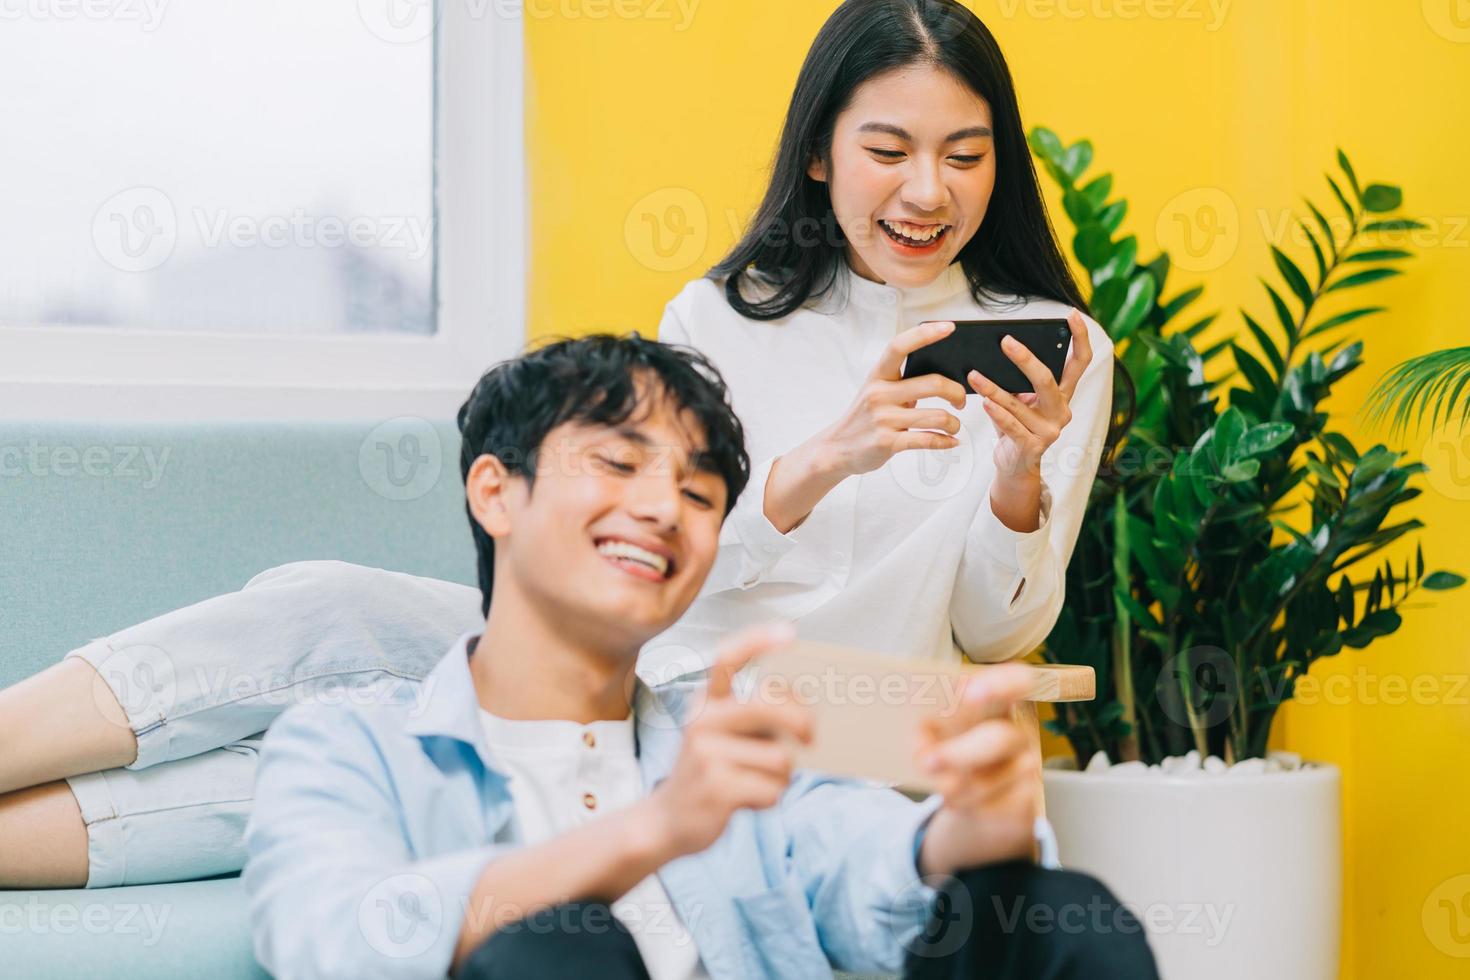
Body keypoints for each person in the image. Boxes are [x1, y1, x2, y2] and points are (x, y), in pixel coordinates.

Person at [0, 0, 1126, 889]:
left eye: (965, 155)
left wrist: (1017, 478)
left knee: (363, 751)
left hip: (802, 727)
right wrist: (818, 462)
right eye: (888, 148)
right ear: (823, 155)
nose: (927, 190)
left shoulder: (1059, 351)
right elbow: (663, 563)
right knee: (323, 600)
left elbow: (997, 629)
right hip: (632, 653)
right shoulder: (725, 314)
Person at [244, 333, 1157, 980]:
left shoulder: (721, 748)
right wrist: (658, 827)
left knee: (1052, 915)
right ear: (497, 492)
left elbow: (867, 862)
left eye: (698, 490)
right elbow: (332, 940)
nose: (663, 508)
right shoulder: (347, 745)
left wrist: (978, 823)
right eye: (616, 464)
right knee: (552, 946)